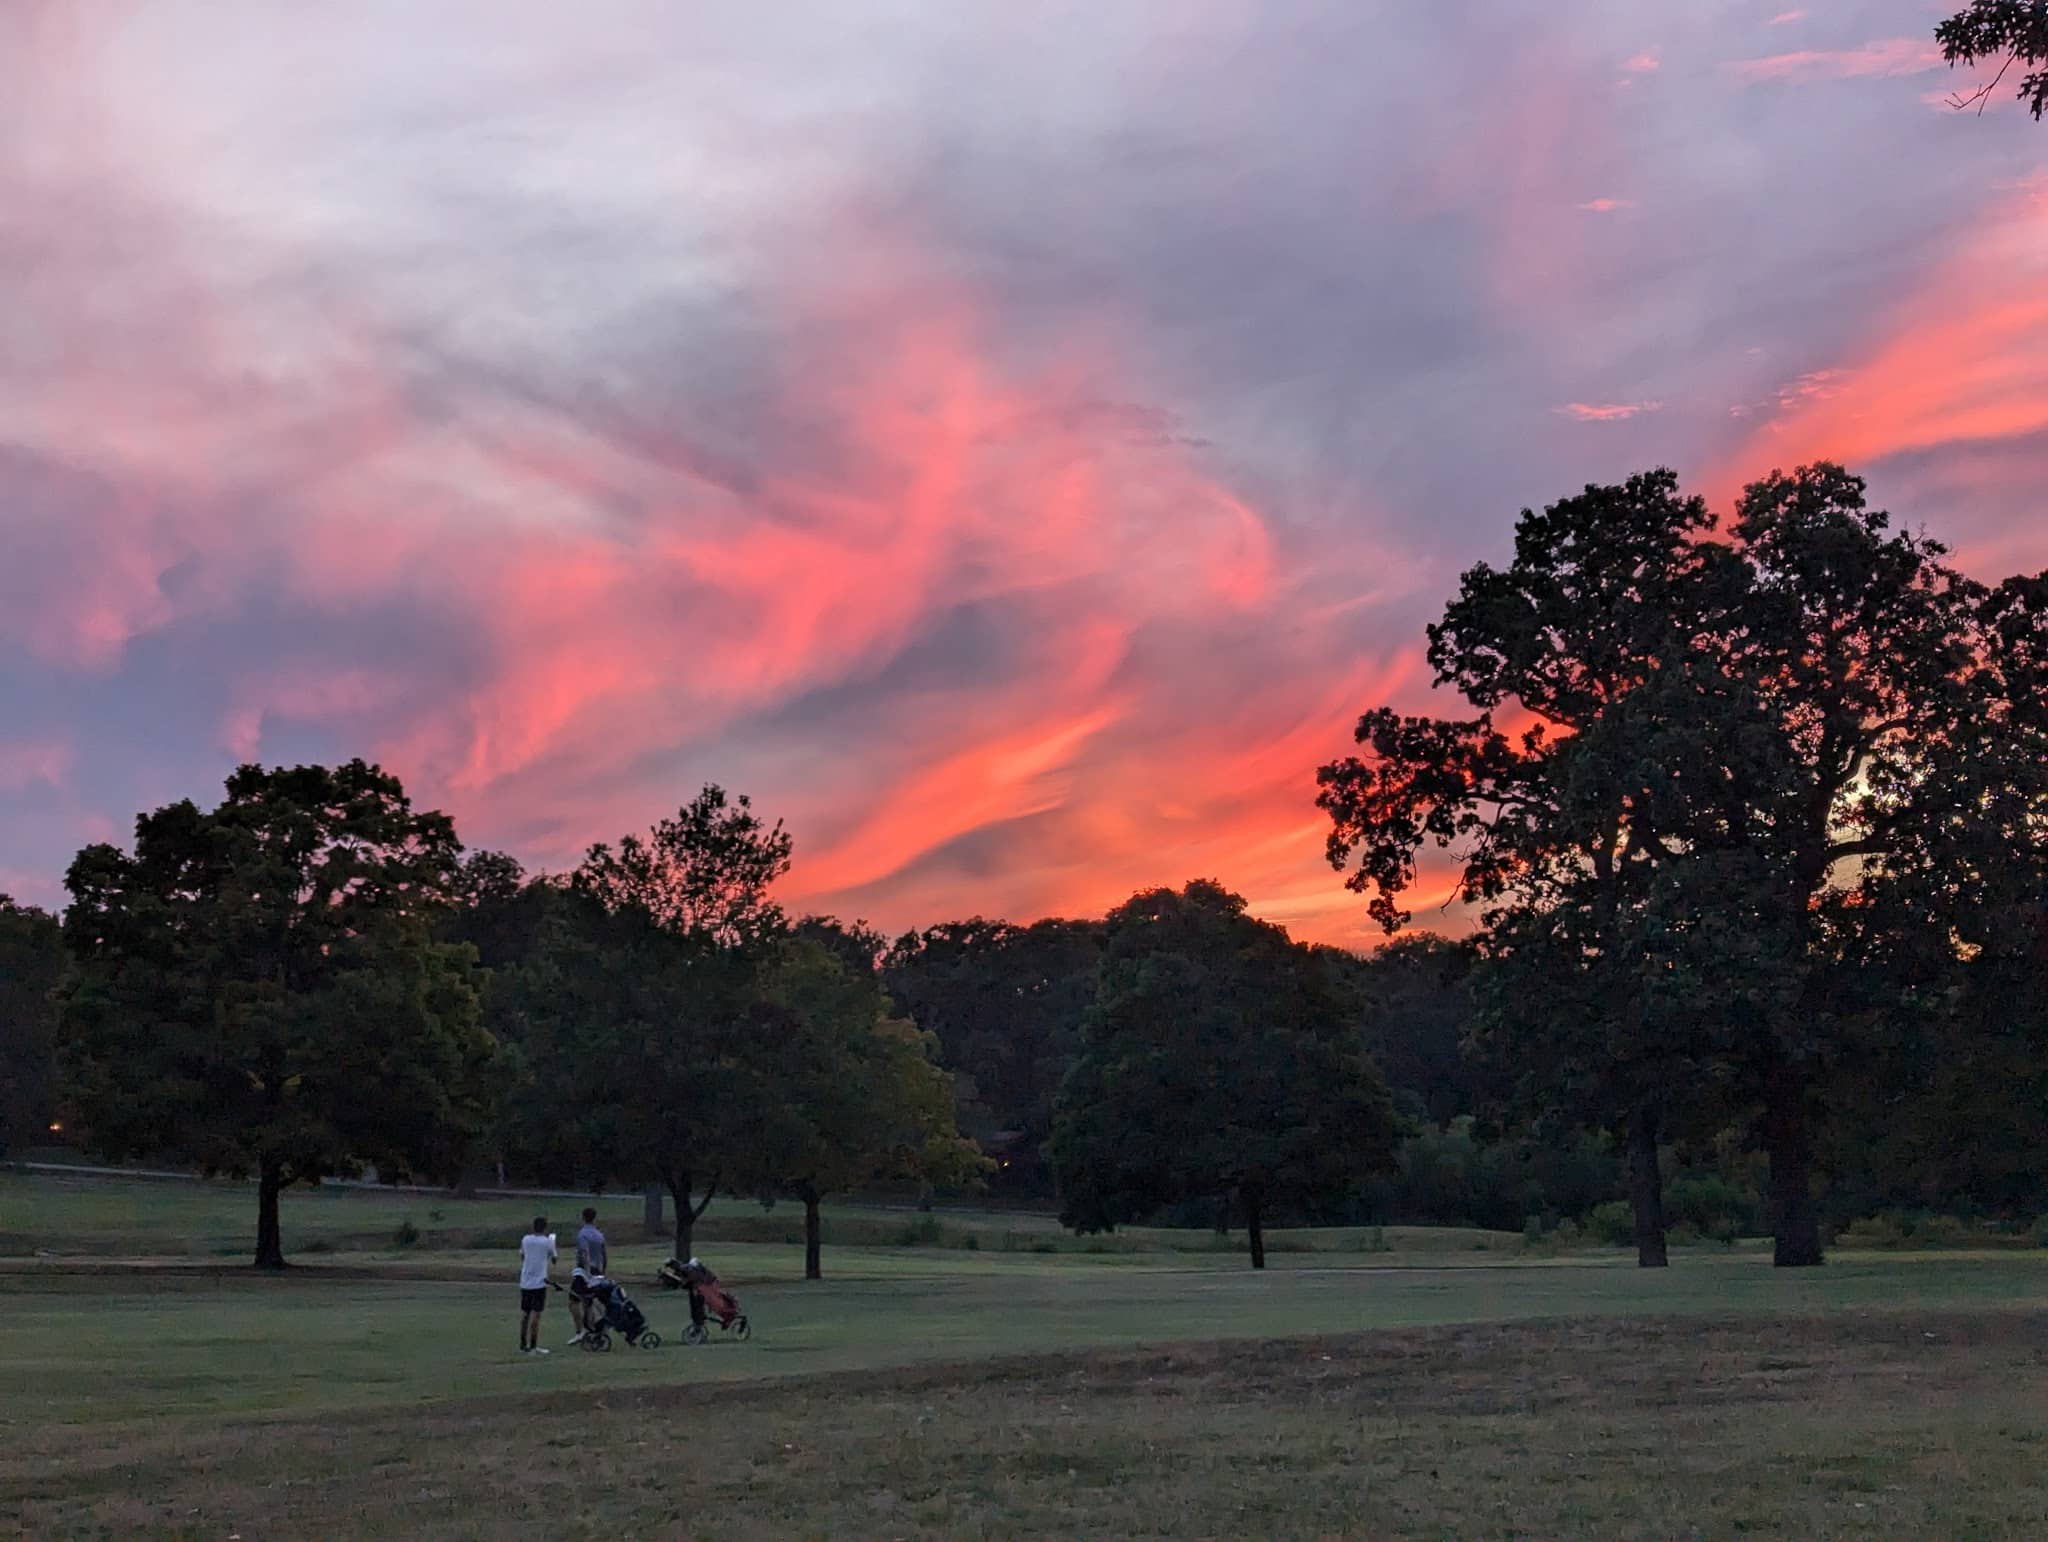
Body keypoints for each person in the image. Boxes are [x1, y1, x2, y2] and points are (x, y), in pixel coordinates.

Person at [568, 1207, 608, 1345]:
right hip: (597, 1269)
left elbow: (584, 1254)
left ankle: (581, 1331)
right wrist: (603, 1271)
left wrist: (586, 1273)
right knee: (588, 1302)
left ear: (583, 1217)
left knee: (573, 1300)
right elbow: (604, 1254)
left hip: (585, 1271)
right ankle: (591, 1329)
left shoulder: (582, 1234)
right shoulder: (599, 1235)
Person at [518, 1216, 556, 1355]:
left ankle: (523, 1343)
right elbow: (554, 1259)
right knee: (536, 1314)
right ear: (545, 1228)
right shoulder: (547, 1242)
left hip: (525, 1281)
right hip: (539, 1282)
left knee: (525, 1313)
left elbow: (522, 1256)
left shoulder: (525, 1239)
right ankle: (533, 1346)